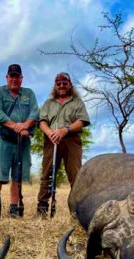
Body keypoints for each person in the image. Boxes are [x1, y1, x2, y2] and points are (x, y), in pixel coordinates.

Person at [36, 72, 90, 215]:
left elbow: (82, 121)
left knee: (75, 175)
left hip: (71, 140)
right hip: (51, 140)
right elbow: (42, 122)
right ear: (55, 86)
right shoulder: (48, 103)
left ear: (69, 85)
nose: (61, 86)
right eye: (58, 84)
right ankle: (42, 208)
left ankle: (78, 209)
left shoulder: (77, 102)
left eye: (64, 83)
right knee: (47, 174)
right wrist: (50, 133)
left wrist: (65, 130)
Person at [0, 64, 39, 217]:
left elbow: (35, 112)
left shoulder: (29, 93)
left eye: (17, 76)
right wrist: (17, 127)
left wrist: (25, 125)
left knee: (17, 177)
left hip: (22, 142)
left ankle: (13, 209)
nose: (14, 79)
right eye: (11, 76)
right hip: (4, 140)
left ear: (21, 78)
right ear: (7, 77)